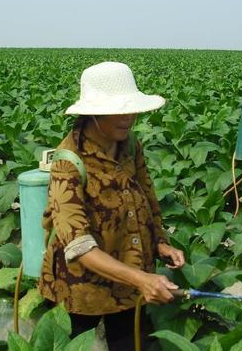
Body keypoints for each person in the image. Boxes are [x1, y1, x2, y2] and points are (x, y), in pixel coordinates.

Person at [38, 61, 185, 350]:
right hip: (80, 287)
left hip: (130, 279)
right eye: (118, 111)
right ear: (92, 113)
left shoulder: (130, 146)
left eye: (131, 109)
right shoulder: (69, 162)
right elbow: (77, 245)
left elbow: (148, 199)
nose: (128, 118)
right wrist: (142, 279)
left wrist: (160, 243)